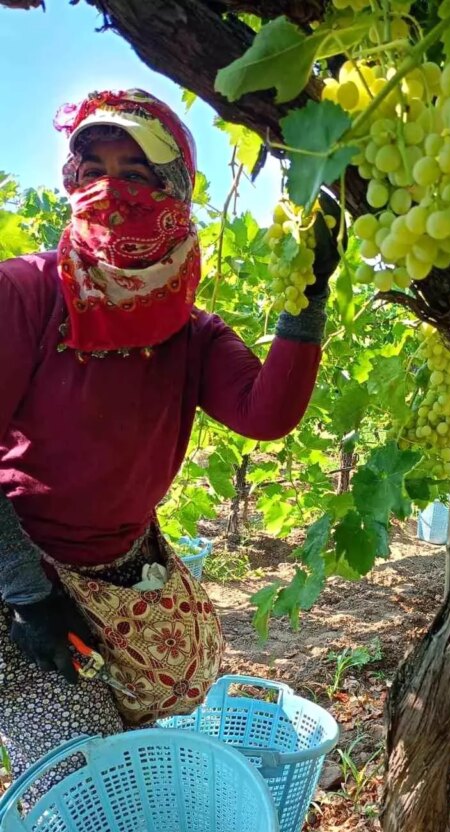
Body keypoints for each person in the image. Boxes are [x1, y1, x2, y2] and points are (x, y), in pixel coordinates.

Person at [0, 88, 340, 782]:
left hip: (121, 565)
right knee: (79, 770)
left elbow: (265, 413)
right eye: (92, 169)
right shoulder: (27, 293)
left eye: (135, 173)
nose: (109, 191)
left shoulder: (189, 330)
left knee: (161, 709)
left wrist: (306, 304)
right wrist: (29, 597)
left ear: (174, 190)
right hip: (18, 570)